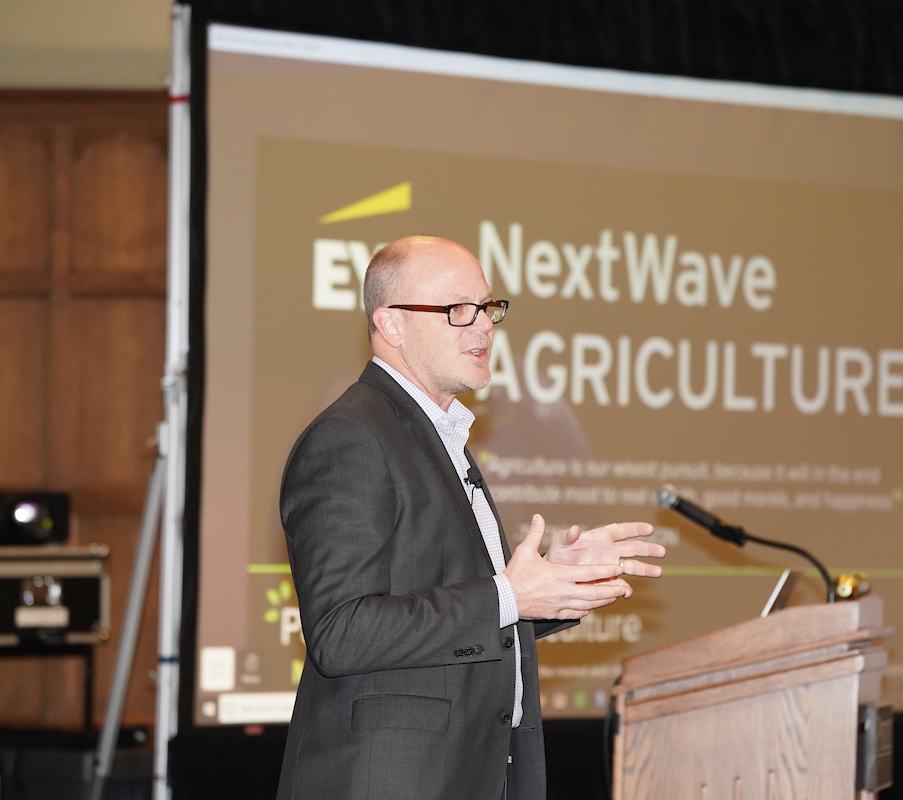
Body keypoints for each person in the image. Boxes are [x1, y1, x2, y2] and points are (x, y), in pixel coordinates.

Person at [275, 235, 665, 800]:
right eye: (457, 310)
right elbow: (342, 631)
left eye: (487, 308)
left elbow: (459, 606)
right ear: (391, 324)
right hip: (394, 782)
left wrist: (555, 581)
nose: (481, 326)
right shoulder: (352, 437)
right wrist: (508, 595)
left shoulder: (438, 434)